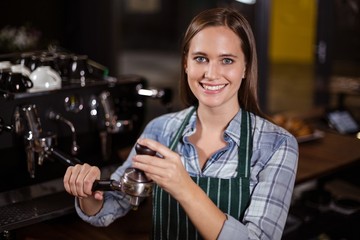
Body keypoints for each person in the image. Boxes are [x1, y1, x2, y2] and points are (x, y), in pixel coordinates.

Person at [63, 7, 298, 240]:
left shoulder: (276, 144)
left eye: (227, 60)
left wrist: (184, 188)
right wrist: (86, 191)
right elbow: (109, 207)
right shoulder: (161, 130)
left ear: (245, 67)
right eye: (200, 58)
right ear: (186, 63)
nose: (211, 73)